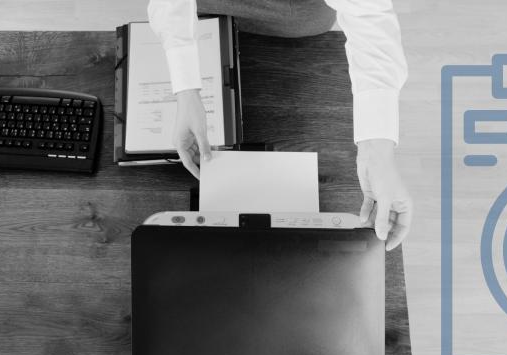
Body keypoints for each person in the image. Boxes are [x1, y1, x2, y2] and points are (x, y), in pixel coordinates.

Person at [148, 0, 411, 251]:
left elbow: (368, 16)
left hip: (291, 21)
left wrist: (377, 152)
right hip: (200, 12)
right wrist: (186, 92)